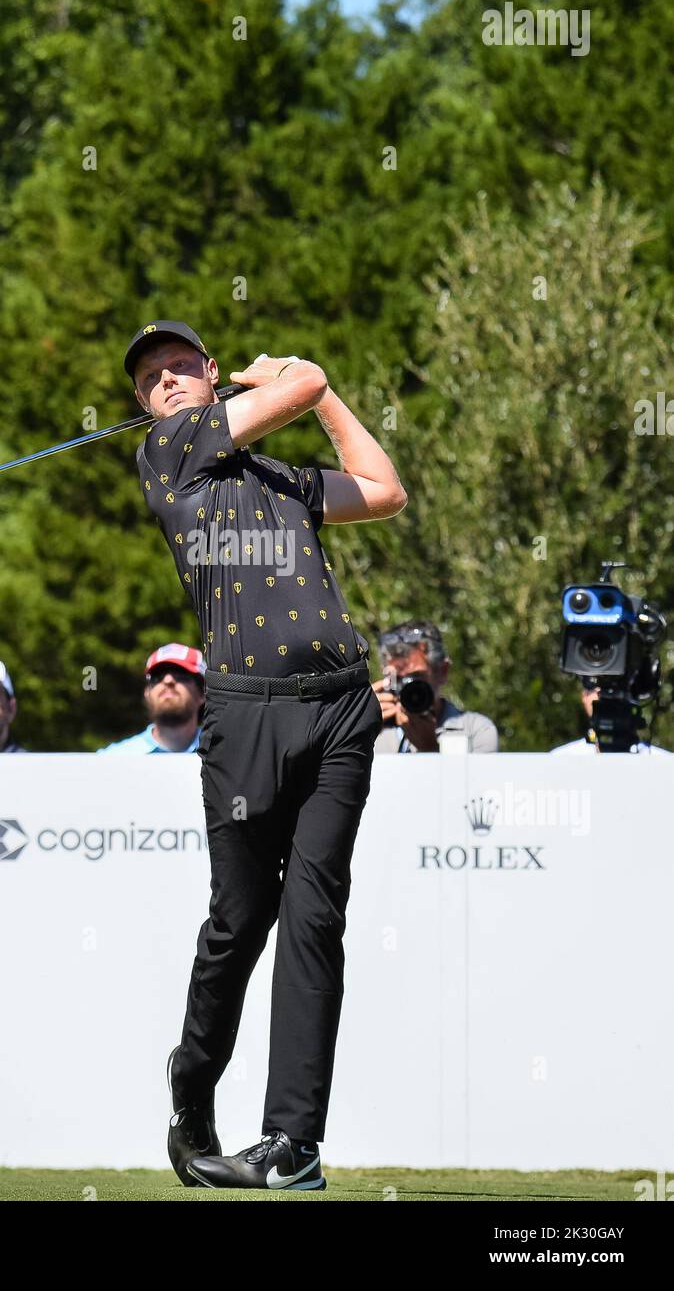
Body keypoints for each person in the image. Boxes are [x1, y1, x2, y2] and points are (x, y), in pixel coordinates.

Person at [126, 318, 406, 1191]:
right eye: (151, 379)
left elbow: (384, 488)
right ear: (145, 406)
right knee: (241, 921)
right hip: (246, 720)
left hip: (340, 712)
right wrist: (289, 376)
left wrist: (318, 394)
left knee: (316, 918)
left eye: (181, 367)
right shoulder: (167, 455)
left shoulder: (280, 477)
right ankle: (193, 1077)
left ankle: (294, 1143)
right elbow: (303, 383)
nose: (167, 383)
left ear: (211, 375)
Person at [372, 620, 498, 754]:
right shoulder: (373, 730)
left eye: (416, 677)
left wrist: (430, 749)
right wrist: (359, 723)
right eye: (398, 679)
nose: (407, 688)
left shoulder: (476, 730)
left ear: (443, 671)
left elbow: (474, 776)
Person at [95, 644, 205, 754]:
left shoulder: (220, 756)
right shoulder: (111, 759)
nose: (168, 680)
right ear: (147, 693)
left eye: (181, 676)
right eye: (158, 677)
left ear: (203, 693)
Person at [551, 678, 672, 755]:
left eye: (614, 689)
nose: (603, 694)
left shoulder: (663, 764)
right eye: (594, 685)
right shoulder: (560, 760)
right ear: (584, 697)